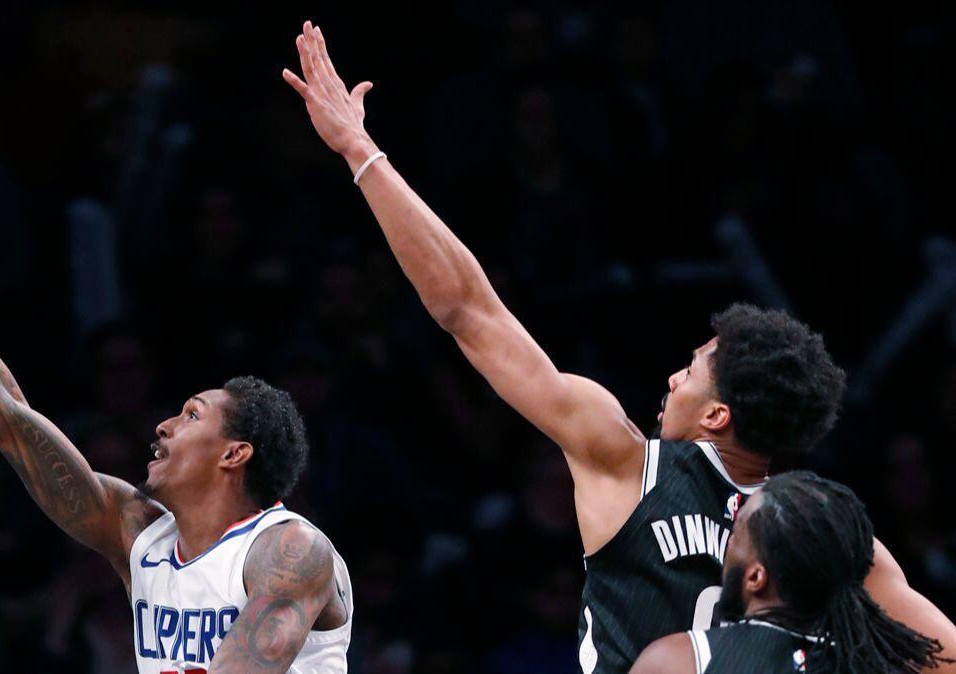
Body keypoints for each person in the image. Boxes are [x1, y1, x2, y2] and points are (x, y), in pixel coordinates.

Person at [282, 20, 956, 672]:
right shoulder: (828, 535)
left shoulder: (627, 460)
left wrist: (360, 153)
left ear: (719, 415)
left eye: (692, 370)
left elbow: (467, 309)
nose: (671, 378)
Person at [0, 148, 352, 674]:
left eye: (191, 415)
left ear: (235, 453)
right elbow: (9, 418)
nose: (162, 424)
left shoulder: (286, 549)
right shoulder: (139, 533)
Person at [631, 471, 948, 673]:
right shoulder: (875, 665)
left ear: (756, 577)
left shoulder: (678, 661)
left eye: (738, 529)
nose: (727, 541)